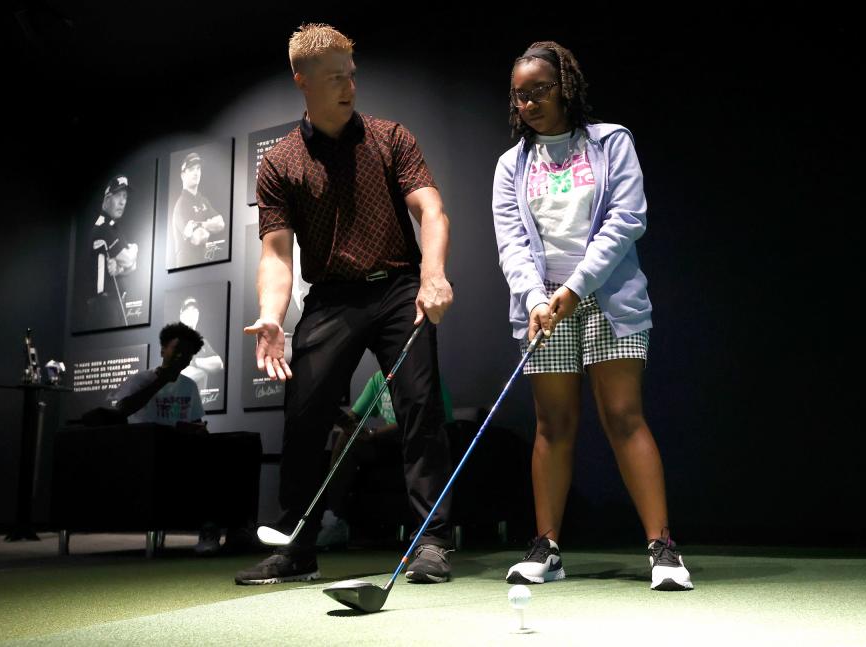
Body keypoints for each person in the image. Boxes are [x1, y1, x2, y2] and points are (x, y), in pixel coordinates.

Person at [237, 23, 454, 585]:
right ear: (301, 80)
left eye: (351, 74)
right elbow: (277, 253)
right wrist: (271, 313)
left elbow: (431, 211)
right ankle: (296, 546)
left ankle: (430, 540)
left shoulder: (389, 137)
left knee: (419, 407)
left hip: (400, 286)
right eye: (335, 77)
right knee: (305, 414)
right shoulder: (280, 162)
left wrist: (433, 275)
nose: (348, 86)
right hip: (331, 296)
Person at [491, 41, 693, 591]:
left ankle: (663, 549)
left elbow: (628, 219)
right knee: (552, 424)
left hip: (606, 295)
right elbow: (511, 242)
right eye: (519, 95)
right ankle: (548, 548)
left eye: (539, 91)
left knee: (624, 415)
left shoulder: (611, 142)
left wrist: (576, 289)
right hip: (543, 305)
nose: (528, 103)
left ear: (565, 87)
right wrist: (536, 298)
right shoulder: (511, 165)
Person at [108, 322, 221, 555]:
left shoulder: (189, 386)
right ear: (162, 350)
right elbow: (122, 411)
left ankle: (216, 529)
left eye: (188, 353)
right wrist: (160, 381)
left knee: (219, 452)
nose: (181, 356)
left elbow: (196, 421)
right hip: (144, 450)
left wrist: (197, 430)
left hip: (179, 448)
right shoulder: (140, 380)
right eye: (176, 349)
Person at [316, 371, 456, 549]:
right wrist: (344, 421)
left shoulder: (421, 374)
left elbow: (419, 419)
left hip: (425, 440)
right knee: (346, 437)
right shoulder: (378, 379)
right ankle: (334, 518)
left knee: (414, 429)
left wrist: (374, 434)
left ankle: (431, 535)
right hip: (393, 445)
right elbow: (356, 415)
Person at [83, 175, 138, 329]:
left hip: (114, 305)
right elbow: (129, 260)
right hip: (103, 306)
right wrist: (135, 249)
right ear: (107, 199)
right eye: (119, 196)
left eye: (125, 196)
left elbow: (133, 266)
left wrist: (120, 268)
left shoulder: (114, 227)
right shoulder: (103, 228)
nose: (123, 202)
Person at [171, 152, 226, 267]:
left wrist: (200, 224)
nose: (196, 173)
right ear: (183, 175)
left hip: (203, 266)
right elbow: (200, 237)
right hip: (185, 271)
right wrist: (210, 225)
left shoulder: (203, 200)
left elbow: (221, 223)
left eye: (198, 168)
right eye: (191, 169)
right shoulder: (181, 205)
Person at [177, 297, 225, 397]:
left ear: (198, 315)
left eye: (195, 310)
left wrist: (195, 362)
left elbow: (219, 363)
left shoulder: (202, 341)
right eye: (188, 311)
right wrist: (204, 367)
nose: (192, 314)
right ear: (181, 315)